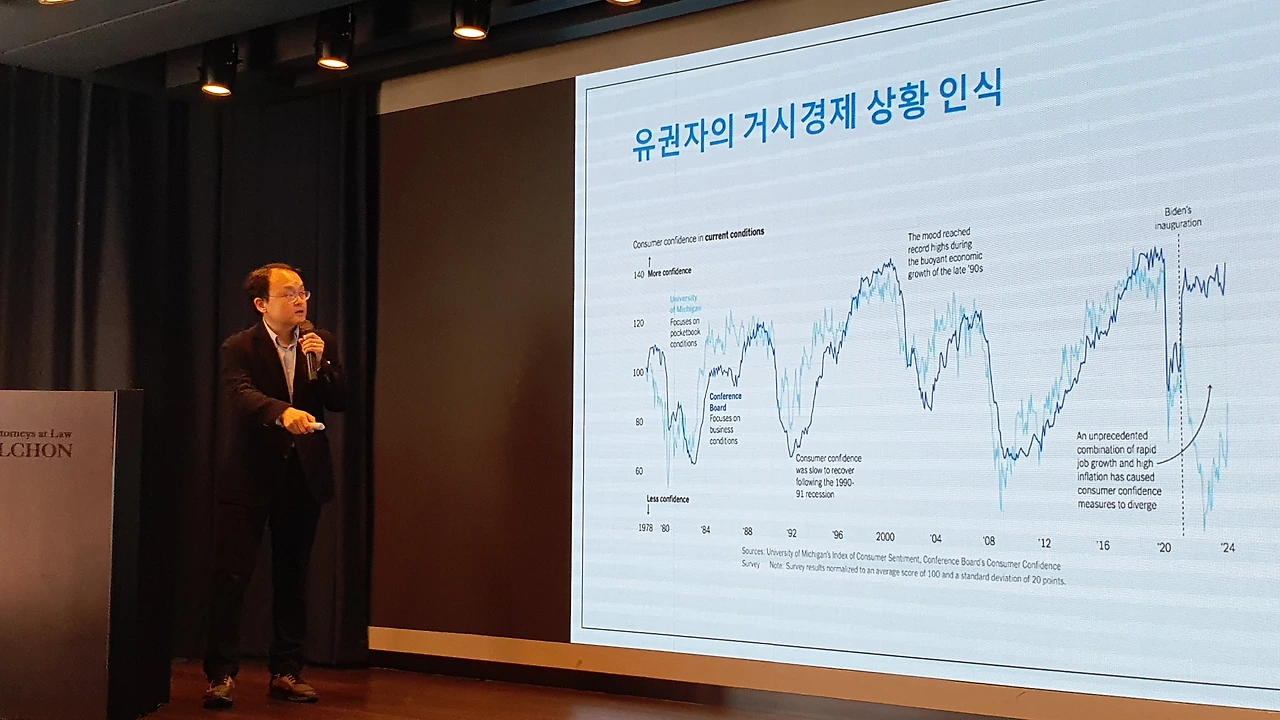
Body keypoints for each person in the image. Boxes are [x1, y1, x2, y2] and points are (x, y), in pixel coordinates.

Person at [202, 263, 346, 709]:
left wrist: (324, 366)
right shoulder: (239, 347)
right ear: (262, 304)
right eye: (289, 294)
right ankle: (221, 675)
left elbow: (339, 401)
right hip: (248, 477)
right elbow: (240, 394)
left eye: (303, 292)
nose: (300, 300)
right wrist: (282, 413)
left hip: (302, 476)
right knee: (231, 577)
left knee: (293, 578)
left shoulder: (319, 343)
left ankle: (287, 671)